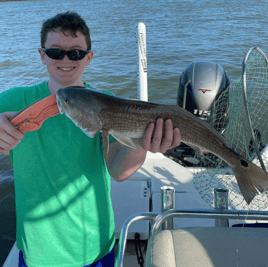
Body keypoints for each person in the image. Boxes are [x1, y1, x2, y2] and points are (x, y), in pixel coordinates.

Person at [0, 12, 181, 267]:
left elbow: (118, 170)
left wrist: (142, 145)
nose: (65, 60)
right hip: (39, 252)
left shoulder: (110, 103)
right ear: (42, 56)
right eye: (55, 52)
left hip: (96, 246)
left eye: (75, 53)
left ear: (88, 57)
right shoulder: (13, 101)